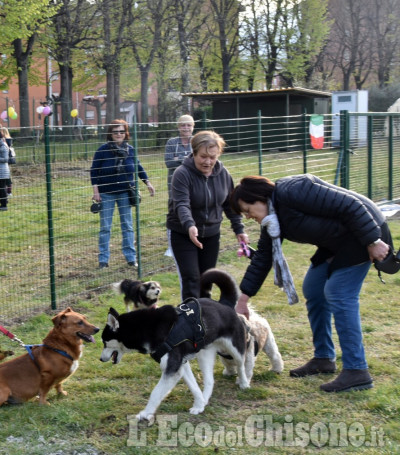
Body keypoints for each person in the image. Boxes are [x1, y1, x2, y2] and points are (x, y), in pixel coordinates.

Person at [230, 174, 391, 393]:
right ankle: (324, 358)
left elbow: (350, 205)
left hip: (364, 233)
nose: (248, 217)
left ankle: (357, 371)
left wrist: (373, 240)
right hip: (337, 241)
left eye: (248, 210)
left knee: (339, 293)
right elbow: (263, 258)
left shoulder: (293, 191)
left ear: (259, 197)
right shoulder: (273, 220)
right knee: (314, 289)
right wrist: (243, 299)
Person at [166, 130, 247, 299]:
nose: (208, 162)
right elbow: (181, 204)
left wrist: (239, 229)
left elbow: (229, 204)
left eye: (213, 157)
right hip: (183, 233)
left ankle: (206, 320)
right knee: (192, 280)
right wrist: (190, 225)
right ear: (194, 152)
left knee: (207, 280)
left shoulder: (223, 174)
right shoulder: (182, 174)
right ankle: (190, 320)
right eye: (203, 156)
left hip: (211, 234)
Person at [90, 119, 156, 269]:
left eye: (121, 131)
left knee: (127, 226)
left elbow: (138, 166)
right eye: (115, 132)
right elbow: (94, 171)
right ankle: (103, 260)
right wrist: (96, 191)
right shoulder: (102, 150)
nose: (118, 134)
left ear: (125, 133)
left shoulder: (130, 149)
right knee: (105, 227)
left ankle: (131, 258)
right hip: (106, 193)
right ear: (110, 133)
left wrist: (147, 182)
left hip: (125, 193)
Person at [165, 114, 194, 192]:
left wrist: (178, 158)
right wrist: (189, 159)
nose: (186, 128)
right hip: (174, 181)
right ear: (178, 127)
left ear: (193, 127)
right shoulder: (171, 142)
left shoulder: (197, 141)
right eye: (183, 125)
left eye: (189, 125)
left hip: (194, 181)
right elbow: (169, 163)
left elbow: (199, 162)